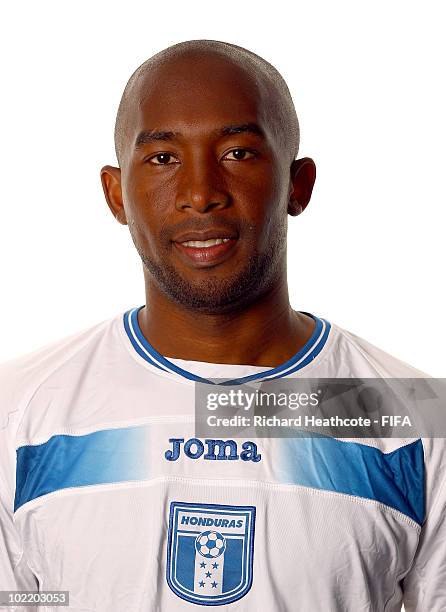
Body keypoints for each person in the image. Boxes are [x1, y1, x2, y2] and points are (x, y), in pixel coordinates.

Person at [0, 39, 444, 612]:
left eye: (237, 153)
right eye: (163, 158)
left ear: (298, 183)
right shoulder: (19, 415)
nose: (200, 194)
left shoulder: (407, 415)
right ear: (116, 194)